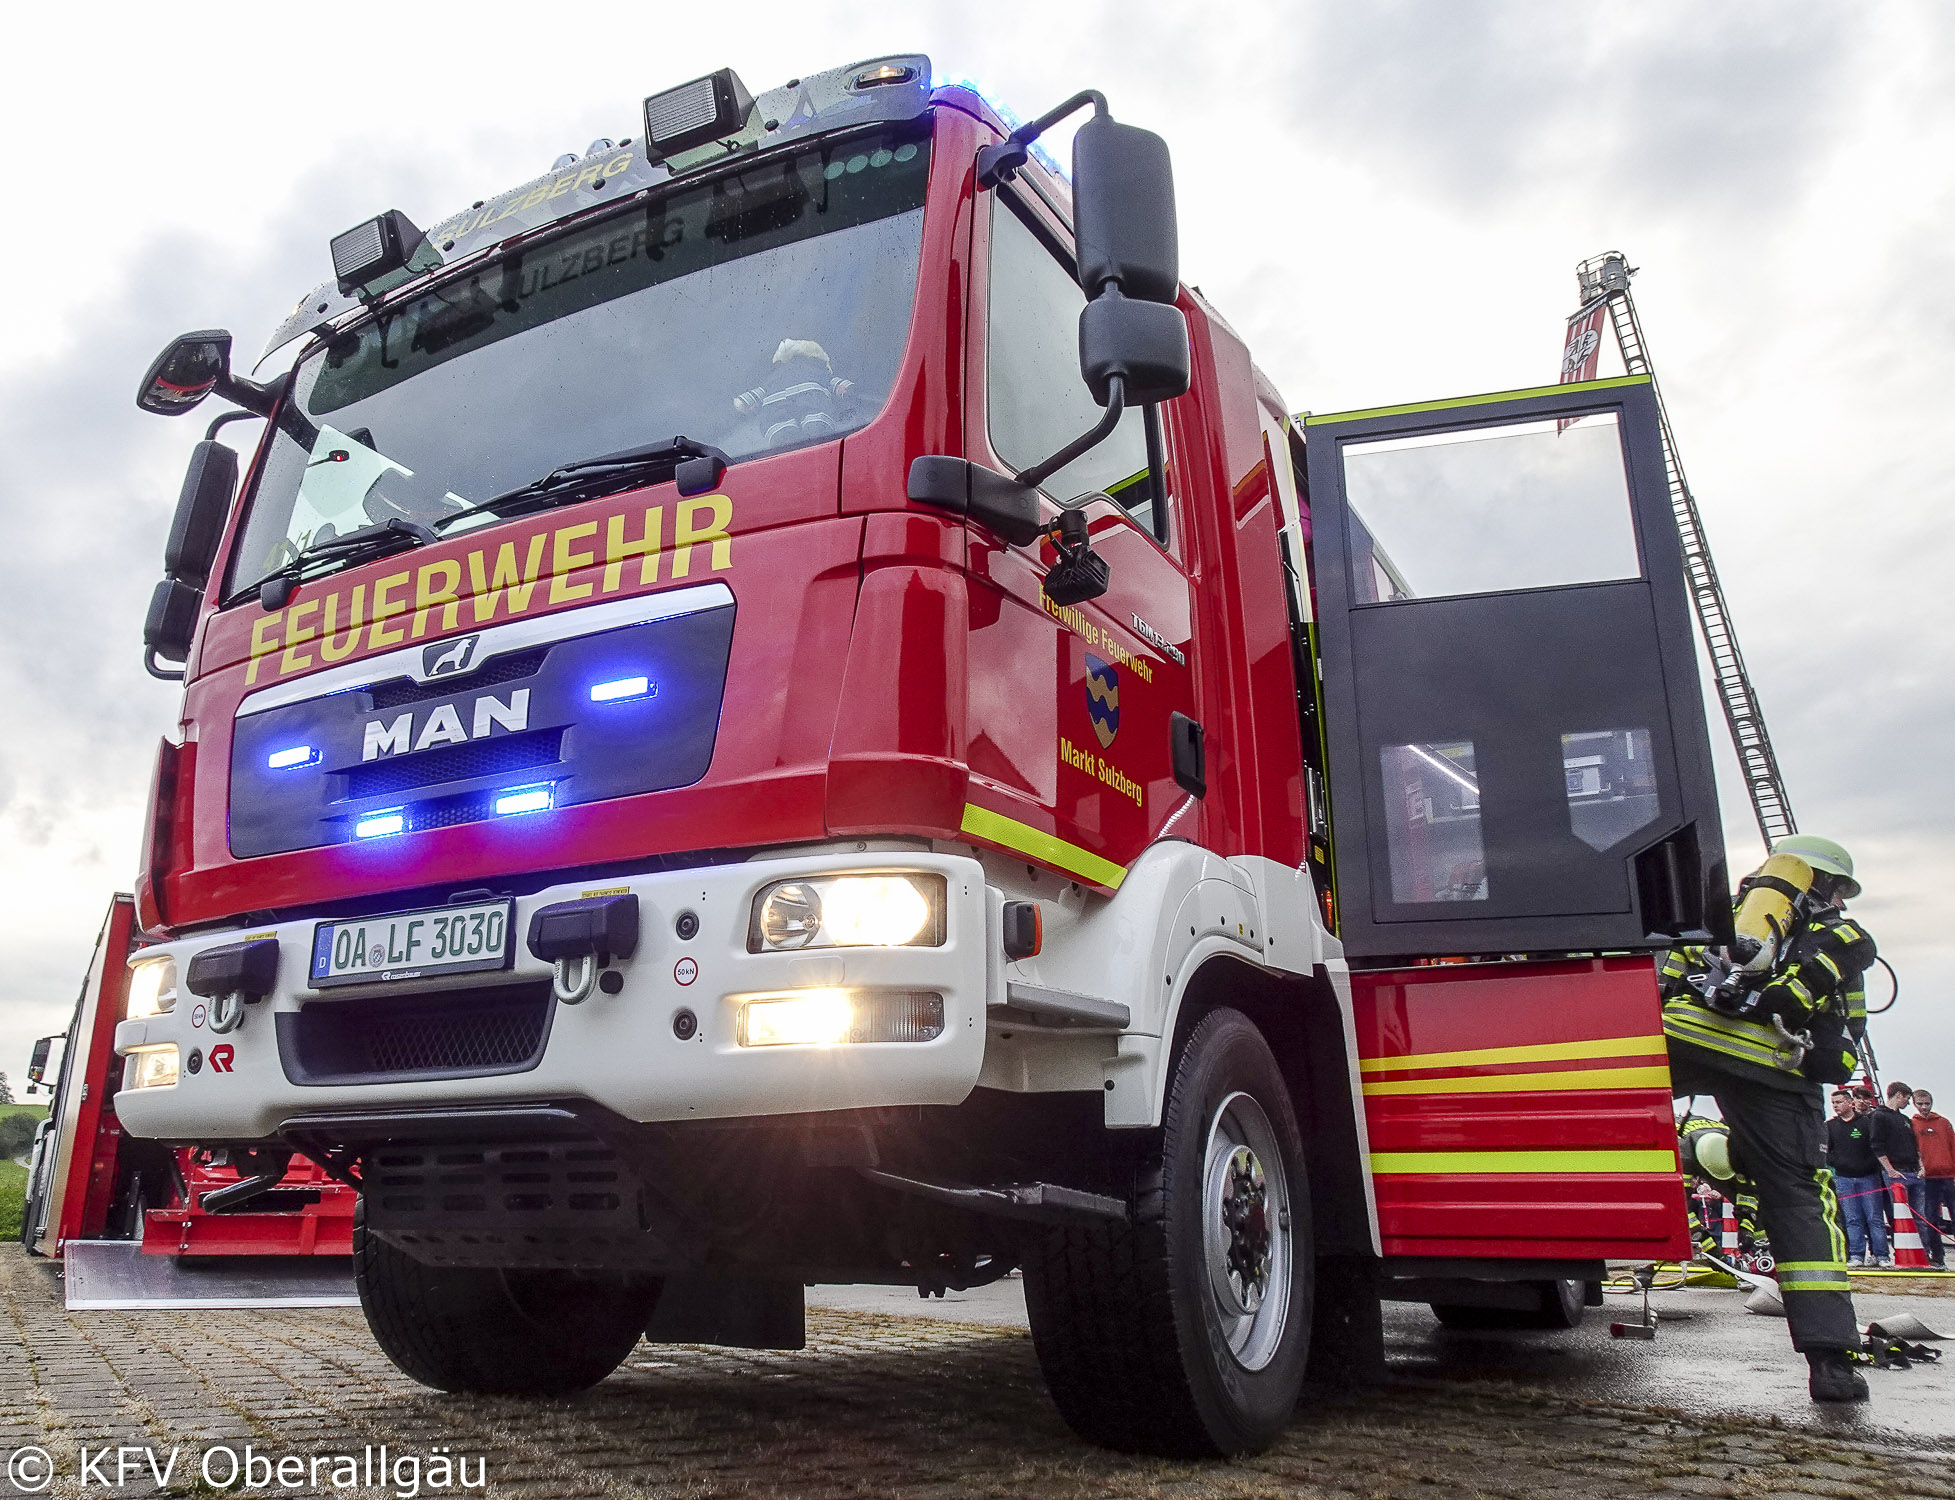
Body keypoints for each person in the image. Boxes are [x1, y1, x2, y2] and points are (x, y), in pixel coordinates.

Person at [1660, 834, 1878, 1402]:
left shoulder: (1722, 918)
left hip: (1683, 1041)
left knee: (1595, 1122)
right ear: (1829, 886)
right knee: (1800, 1202)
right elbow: (1846, 1034)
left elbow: (1660, 981)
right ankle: (1831, 1363)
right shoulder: (1841, 937)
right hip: (1777, 1068)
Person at [1875, 1081, 1946, 1268]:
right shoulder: (1879, 1116)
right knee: (1899, 1216)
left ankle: (1924, 1254)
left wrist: (1921, 1166)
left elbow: (1915, 1147)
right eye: (1907, 1098)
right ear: (1899, 1095)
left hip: (1914, 1172)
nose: (1908, 1102)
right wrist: (1890, 1170)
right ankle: (1904, 1254)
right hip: (1896, 1174)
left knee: (1920, 1216)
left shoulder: (1905, 1120)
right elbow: (1877, 1145)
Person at [1828, 1085, 1890, 1267]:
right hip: (1844, 1178)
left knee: (1874, 1218)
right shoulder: (1830, 1126)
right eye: (1833, 1103)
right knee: (1852, 1219)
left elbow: (1876, 1147)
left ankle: (1881, 1255)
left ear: (1850, 1102)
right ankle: (1856, 1255)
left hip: (1868, 1177)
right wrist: (1839, 1163)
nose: (1835, 1106)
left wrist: (1868, 1165)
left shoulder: (1866, 1123)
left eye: (1839, 1102)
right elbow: (1826, 1151)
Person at [1912, 1088, 1955, 1261]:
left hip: (1948, 1176)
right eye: (1920, 1104)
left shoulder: (1943, 1123)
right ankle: (1937, 1256)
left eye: (1927, 1104)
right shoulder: (1912, 1124)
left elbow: (1953, 1146)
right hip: (1927, 1179)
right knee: (1930, 1218)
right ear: (1914, 1104)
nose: (1924, 1107)